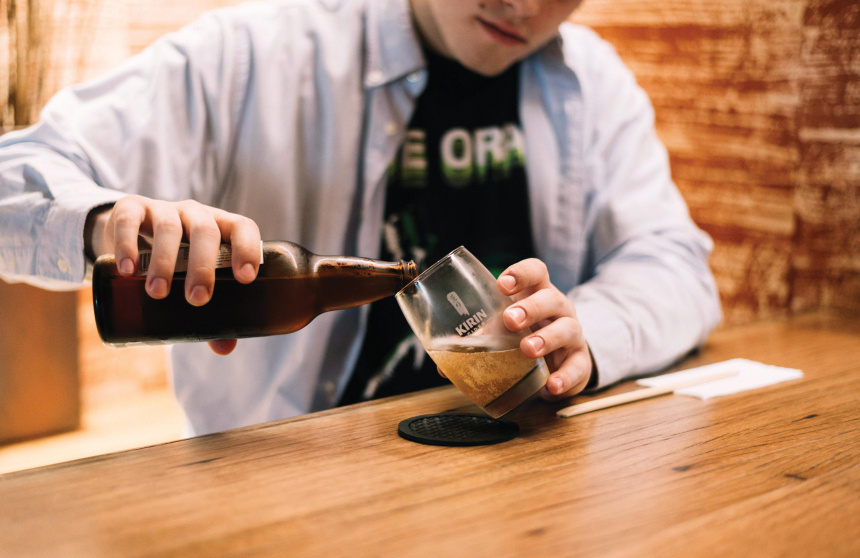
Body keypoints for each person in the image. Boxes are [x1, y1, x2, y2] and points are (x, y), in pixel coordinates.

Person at [0, 0, 722, 435]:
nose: (521, 4)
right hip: (293, 493)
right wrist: (106, 222)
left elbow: (674, 263)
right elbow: (16, 175)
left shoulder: (592, 81)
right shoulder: (255, 54)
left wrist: (583, 334)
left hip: (519, 470)